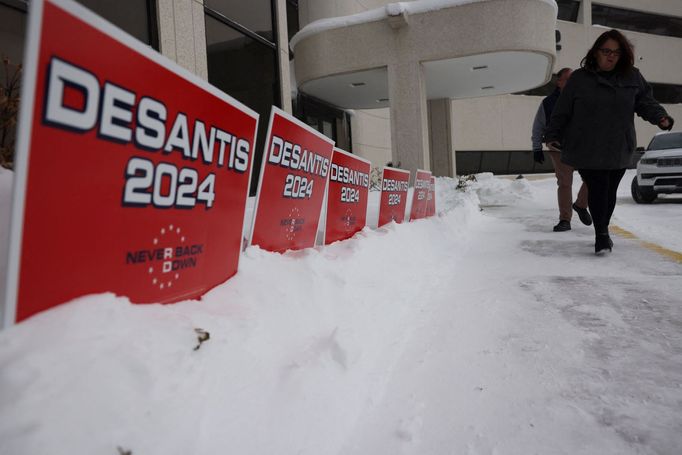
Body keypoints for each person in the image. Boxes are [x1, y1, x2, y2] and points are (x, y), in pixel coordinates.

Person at [545, 29, 674, 255]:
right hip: (587, 145)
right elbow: (562, 110)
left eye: (616, 52)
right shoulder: (580, 79)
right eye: (606, 51)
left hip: (618, 145)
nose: (611, 56)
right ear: (595, 53)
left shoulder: (632, 77)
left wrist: (660, 117)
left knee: (610, 190)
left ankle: (600, 227)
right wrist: (553, 134)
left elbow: (645, 101)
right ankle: (601, 235)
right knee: (598, 187)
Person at [531, 67, 590, 232]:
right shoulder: (548, 103)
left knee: (593, 178)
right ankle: (565, 219)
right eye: (568, 79)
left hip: (583, 147)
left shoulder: (583, 99)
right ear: (559, 82)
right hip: (559, 148)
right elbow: (538, 126)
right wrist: (536, 148)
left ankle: (581, 204)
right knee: (565, 183)